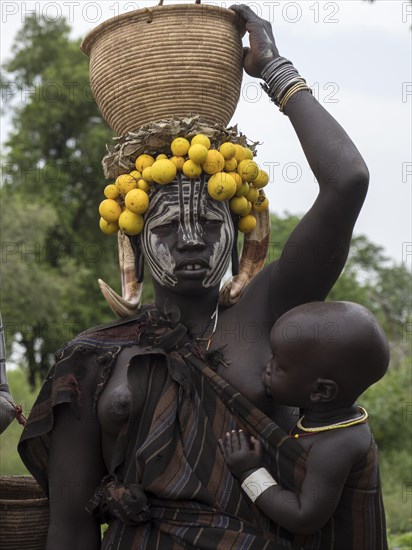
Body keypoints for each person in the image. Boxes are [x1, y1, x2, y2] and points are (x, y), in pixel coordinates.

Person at [18, 4, 371, 549]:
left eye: (210, 223)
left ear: (242, 233)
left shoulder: (273, 313)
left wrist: (274, 69)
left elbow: (347, 180)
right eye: (166, 227)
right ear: (133, 240)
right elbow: (71, 526)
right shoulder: (90, 360)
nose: (189, 239)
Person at [220, 301, 389, 550]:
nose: (266, 367)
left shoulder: (336, 445)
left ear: (321, 390)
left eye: (278, 366)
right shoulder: (323, 419)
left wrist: (249, 472)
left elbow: (304, 518)